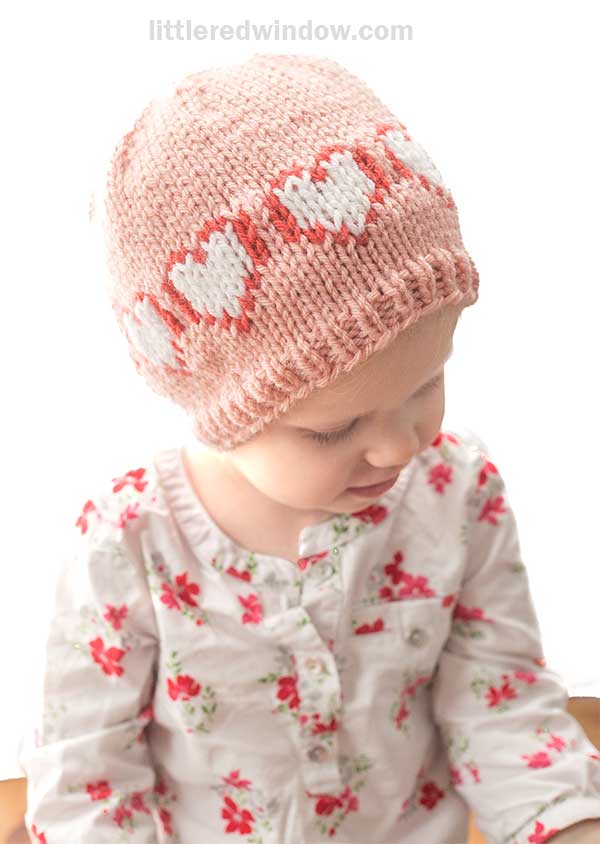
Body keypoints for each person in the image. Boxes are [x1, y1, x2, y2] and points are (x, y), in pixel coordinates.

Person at [18, 53, 600, 844]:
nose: (400, 446)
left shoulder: (458, 495)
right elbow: (85, 783)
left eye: (427, 382)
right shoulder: (129, 543)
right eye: (333, 429)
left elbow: (501, 706)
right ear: (219, 410)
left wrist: (566, 823)